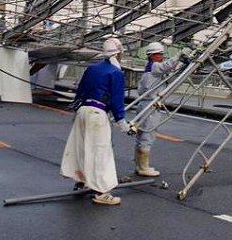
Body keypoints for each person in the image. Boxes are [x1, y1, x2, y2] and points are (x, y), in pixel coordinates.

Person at [60, 37, 130, 206]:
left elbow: (80, 92)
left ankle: (82, 181)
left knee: (82, 146)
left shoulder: (92, 69)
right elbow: (116, 99)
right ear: (118, 53)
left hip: (83, 110)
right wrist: (122, 122)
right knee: (100, 151)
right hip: (97, 114)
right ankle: (101, 192)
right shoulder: (115, 73)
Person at [134, 41, 192, 177]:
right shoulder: (154, 67)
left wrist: (181, 63)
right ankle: (143, 167)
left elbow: (171, 69)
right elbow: (167, 66)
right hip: (150, 106)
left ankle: (139, 165)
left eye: (161, 54)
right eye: (158, 54)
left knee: (142, 135)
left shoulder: (152, 68)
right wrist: (179, 55)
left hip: (146, 105)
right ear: (151, 56)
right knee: (147, 135)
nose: (161, 56)